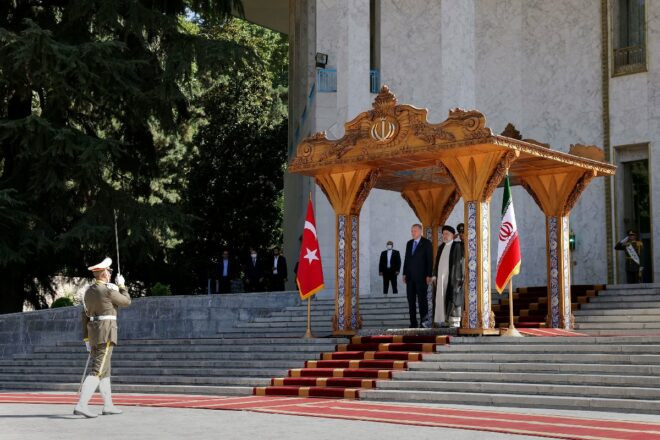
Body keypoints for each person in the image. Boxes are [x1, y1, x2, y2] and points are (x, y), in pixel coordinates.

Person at [73, 257, 131, 418]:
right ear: (104, 273)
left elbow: (84, 315)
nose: (111, 273)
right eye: (109, 271)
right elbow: (126, 302)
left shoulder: (89, 291)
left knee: (105, 371)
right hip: (106, 332)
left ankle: (108, 405)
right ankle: (82, 404)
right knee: (98, 370)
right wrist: (122, 285)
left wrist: (86, 339)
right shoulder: (107, 290)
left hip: (94, 333)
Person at [432, 225, 465, 327]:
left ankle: (453, 322)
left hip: (453, 278)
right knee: (441, 298)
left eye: (446, 234)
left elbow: (460, 264)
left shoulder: (457, 246)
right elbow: (437, 262)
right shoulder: (441, 247)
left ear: (452, 235)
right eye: (443, 234)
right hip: (441, 278)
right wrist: (434, 275)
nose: (444, 236)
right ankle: (442, 320)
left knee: (452, 298)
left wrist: (459, 278)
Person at [402, 224, 433, 328]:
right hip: (410, 278)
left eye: (414, 231)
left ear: (420, 231)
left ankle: (424, 322)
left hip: (422, 277)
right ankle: (413, 322)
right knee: (411, 301)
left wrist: (429, 275)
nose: (412, 233)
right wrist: (404, 273)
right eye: (411, 231)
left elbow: (430, 260)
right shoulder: (409, 243)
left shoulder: (426, 243)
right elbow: (406, 259)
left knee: (422, 301)